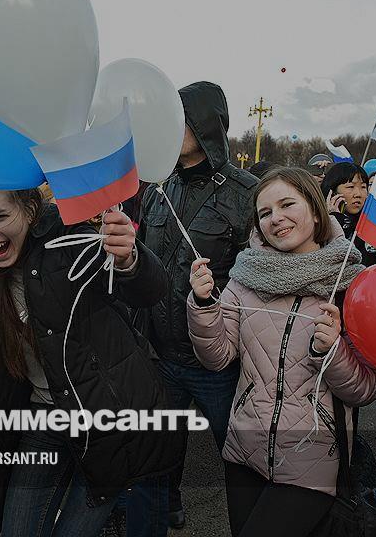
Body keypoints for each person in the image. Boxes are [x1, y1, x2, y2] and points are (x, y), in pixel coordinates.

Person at [0, 183, 181, 537]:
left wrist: (129, 259)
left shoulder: (70, 240)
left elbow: (150, 291)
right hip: (43, 416)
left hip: (106, 420)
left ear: (29, 210)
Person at [187, 167, 376, 537]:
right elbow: (216, 357)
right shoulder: (245, 277)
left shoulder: (349, 283)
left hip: (311, 461)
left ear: (315, 211)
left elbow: (365, 390)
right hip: (243, 452)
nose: (275, 218)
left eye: (287, 204)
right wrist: (203, 304)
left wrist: (330, 351)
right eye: (265, 212)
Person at [137, 81, 258, 531]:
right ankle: (166, 505)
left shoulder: (248, 193)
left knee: (241, 456)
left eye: (179, 119)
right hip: (161, 355)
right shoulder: (157, 188)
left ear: (205, 124)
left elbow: (259, 275)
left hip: (217, 362)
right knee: (159, 453)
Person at [319, 162, 376, 266]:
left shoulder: (374, 224)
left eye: (363, 187)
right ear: (332, 192)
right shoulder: (317, 223)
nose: (358, 194)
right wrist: (336, 220)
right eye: (350, 187)